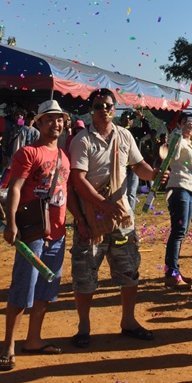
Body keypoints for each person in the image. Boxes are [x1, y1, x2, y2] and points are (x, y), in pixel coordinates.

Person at [68, 88, 162, 346]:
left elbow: (138, 166)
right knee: (85, 274)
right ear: (91, 110)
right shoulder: (82, 140)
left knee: (129, 270)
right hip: (91, 217)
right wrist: (103, 204)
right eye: (99, 106)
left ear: (115, 108)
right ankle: (84, 326)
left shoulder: (125, 135)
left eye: (108, 106)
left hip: (121, 218)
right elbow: (78, 180)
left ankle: (128, 321)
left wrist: (153, 175)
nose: (104, 110)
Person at [0, 100, 73, 371]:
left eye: (59, 119)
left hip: (57, 233)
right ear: (39, 123)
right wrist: (11, 223)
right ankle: (9, 345)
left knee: (45, 290)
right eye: (49, 119)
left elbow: (67, 192)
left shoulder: (64, 156)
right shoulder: (28, 153)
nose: (56, 123)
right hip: (33, 233)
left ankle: (33, 339)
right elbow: (15, 188)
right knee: (23, 288)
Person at [164, 112, 192, 286]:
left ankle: (175, 271)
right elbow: (174, 156)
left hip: (191, 188)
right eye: (186, 121)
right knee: (178, 231)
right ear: (180, 124)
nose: (191, 124)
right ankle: (171, 273)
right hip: (178, 186)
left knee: (183, 230)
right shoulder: (176, 138)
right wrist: (180, 133)